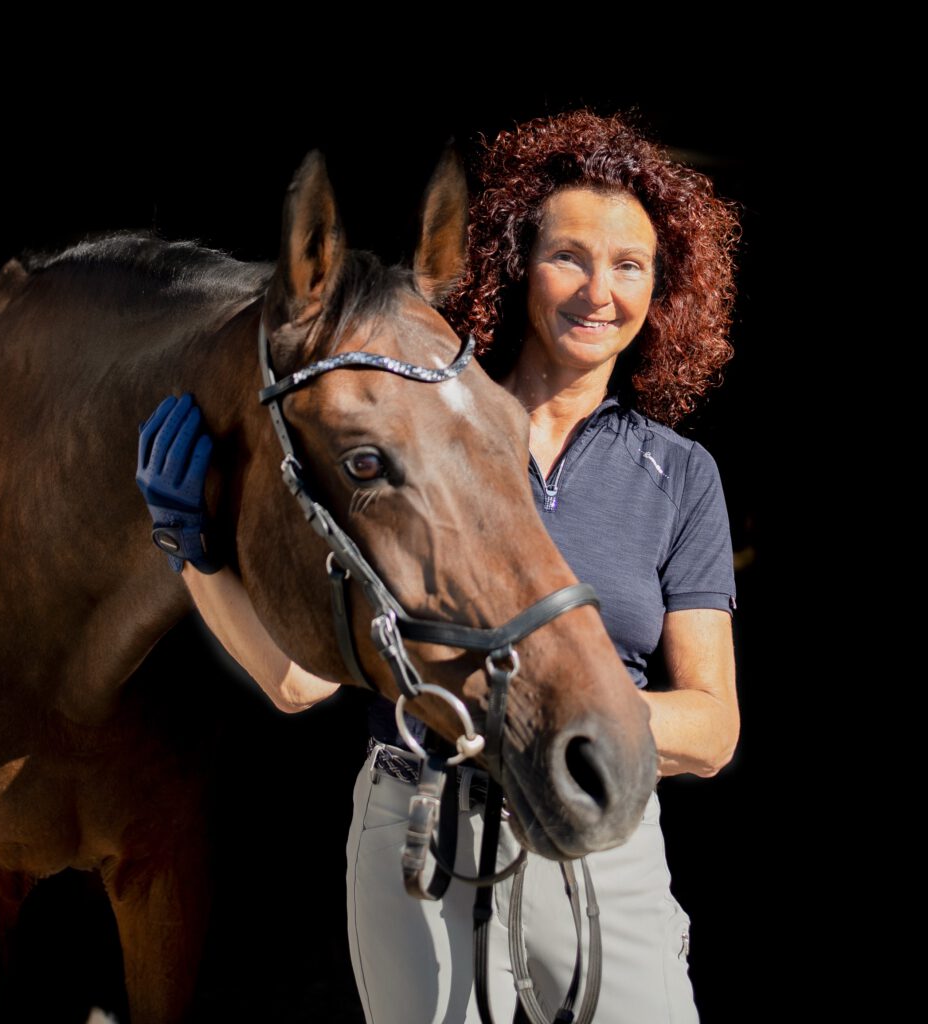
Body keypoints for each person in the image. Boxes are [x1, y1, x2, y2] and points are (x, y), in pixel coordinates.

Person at [137, 109, 741, 1023]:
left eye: (631, 265)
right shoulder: (422, 429)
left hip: (600, 829)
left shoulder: (679, 475)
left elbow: (713, 727)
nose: (598, 291)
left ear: (664, 287)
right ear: (515, 262)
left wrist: (563, 711)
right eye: (568, 256)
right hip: (422, 827)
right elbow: (298, 684)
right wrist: (191, 551)